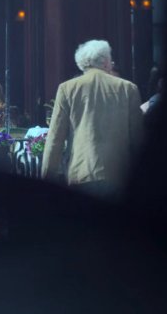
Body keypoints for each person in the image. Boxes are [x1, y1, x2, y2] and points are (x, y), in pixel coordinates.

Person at [41, 40, 143, 200]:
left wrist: (47, 179)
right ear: (106, 61)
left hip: (80, 173)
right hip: (118, 175)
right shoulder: (128, 89)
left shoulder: (67, 88)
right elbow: (138, 140)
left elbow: (55, 139)